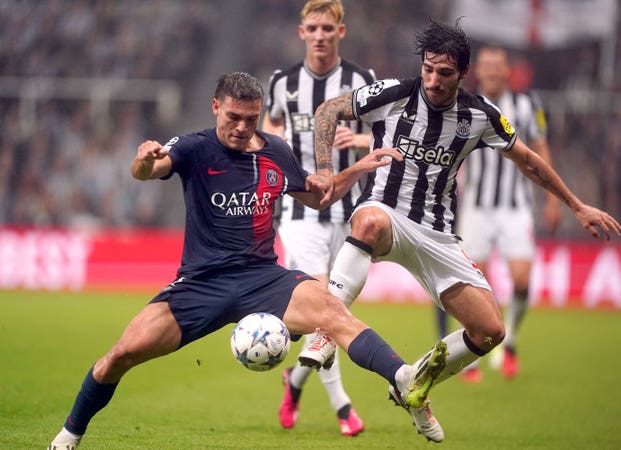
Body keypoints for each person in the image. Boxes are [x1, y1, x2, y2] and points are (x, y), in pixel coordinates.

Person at [46, 72, 448, 450]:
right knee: (120, 355)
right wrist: (145, 159)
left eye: (251, 119)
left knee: (335, 313)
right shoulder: (193, 147)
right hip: (201, 283)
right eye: (234, 117)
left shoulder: (275, 151)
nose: (241, 127)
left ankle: (405, 379)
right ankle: (69, 435)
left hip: (263, 278)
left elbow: (316, 197)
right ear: (216, 107)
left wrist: (358, 168)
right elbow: (146, 172)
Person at [298, 18, 621, 442]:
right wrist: (325, 171)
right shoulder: (394, 93)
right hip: (386, 213)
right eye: (428, 69)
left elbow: (527, 159)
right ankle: (325, 331)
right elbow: (328, 110)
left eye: (444, 73)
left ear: (462, 74)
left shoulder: (481, 115)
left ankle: (415, 380)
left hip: (437, 232)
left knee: (491, 331)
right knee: (369, 218)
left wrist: (576, 205)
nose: (433, 80)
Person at [262, 0, 373, 436]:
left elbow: (387, 131)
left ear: (341, 32)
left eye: (329, 27)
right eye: (313, 27)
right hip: (298, 209)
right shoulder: (282, 83)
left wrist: (361, 137)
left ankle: (295, 380)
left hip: (349, 208)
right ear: (301, 32)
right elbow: (268, 128)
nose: (321, 34)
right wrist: (277, 140)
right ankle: (343, 407)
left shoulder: (361, 81)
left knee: (333, 313)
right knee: (324, 307)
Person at [456, 45, 561, 383]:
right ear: (477, 71)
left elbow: (540, 146)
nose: (492, 72)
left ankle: (511, 338)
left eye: (498, 66)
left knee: (521, 280)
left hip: (516, 206)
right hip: (476, 207)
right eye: (486, 66)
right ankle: (471, 355)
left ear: (507, 71)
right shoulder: (465, 104)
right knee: (475, 283)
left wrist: (552, 199)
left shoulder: (527, 105)